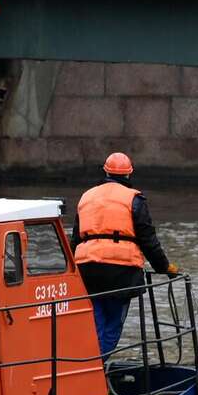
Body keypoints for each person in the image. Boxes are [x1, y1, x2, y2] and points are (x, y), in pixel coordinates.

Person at [72, 152, 176, 358]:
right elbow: (148, 240)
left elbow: (75, 238)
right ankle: (97, 367)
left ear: (105, 171)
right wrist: (165, 267)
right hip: (121, 271)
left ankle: (91, 367)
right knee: (113, 323)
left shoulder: (86, 197)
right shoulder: (134, 199)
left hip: (87, 268)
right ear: (129, 174)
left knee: (96, 321)